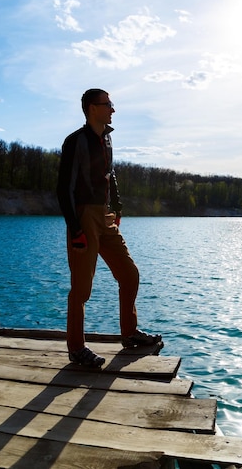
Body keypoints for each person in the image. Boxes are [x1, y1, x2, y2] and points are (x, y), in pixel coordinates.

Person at [57, 88, 162, 367]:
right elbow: (64, 187)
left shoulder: (108, 139)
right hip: (84, 216)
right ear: (93, 108)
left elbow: (111, 174)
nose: (112, 109)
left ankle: (129, 334)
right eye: (108, 104)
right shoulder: (76, 141)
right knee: (81, 289)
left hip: (105, 217)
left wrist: (118, 208)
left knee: (129, 274)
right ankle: (76, 349)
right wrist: (75, 228)